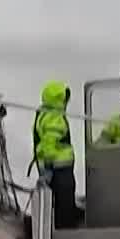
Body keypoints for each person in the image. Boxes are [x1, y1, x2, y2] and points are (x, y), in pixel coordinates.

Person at [32, 80, 82, 229]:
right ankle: (67, 231)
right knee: (64, 202)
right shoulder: (54, 117)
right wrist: (48, 170)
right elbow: (48, 145)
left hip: (55, 169)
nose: (66, 102)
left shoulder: (45, 114)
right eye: (64, 98)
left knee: (61, 202)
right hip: (58, 170)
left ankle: (64, 224)